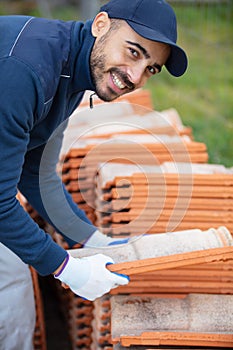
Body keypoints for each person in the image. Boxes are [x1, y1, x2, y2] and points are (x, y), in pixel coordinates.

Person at [0, 0, 187, 348]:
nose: (136, 77)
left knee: (12, 294)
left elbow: (36, 174)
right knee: (9, 295)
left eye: (151, 68)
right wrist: (64, 268)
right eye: (133, 52)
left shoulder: (70, 71)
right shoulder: (26, 69)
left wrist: (90, 239)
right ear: (101, 24)